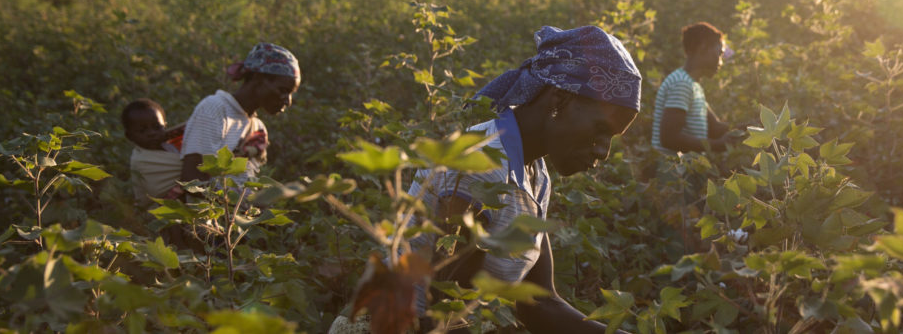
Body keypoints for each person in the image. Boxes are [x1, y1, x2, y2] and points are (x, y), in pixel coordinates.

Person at [330, 25, 641, 334]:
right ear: (558, 99)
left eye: (611, 138)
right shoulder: (481, 161)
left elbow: (540, 305)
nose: (603, 151)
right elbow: (443, 309)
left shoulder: (536, 176)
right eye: (601, 130)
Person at [179, 42, 300, 189]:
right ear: (258, 78)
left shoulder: (258, 128)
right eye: (283, 90)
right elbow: (192, 180)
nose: (288, 101)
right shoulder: (215, 108)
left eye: (291, 94)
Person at [651, 22, 738, 155]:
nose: (720, 62)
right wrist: (718, 145)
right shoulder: (681, 84)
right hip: (673, 172)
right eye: (719, 54)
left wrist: (750, 128)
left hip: (685, 171)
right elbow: (669, 139)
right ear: (702, 48)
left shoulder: (693, 85)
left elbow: (715, 128)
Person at [123, 98, 185, 205]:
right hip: (159, 209)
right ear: (130, 136)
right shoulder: (140, 160)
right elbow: (154, 191)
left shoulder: (170, 146)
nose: (151, 133)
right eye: (142, 130)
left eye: (157, 127)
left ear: (165, 126)